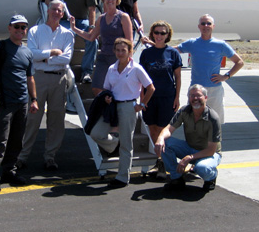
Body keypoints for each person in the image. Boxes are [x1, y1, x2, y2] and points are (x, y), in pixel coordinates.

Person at [0, 15, 39, 193]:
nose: (20, 30)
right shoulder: (0, 47)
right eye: (17, 27)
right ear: (9, 28)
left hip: (22, 103)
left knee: (16, 141)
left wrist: (34, 99)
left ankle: (8, 171)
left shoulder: (27, 52)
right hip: (4, 102)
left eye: (23, 27)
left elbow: (30, 78)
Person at [16, 0, 74, 172]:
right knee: (32, 119)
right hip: (39, 79)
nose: (56, 12)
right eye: (54, 9)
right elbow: (31, 55)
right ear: (48, 11)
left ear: (62, 14)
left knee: (56, 121)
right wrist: (52, 53)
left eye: (59, 10)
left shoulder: (67, 34)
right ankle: (22, 156)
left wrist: (45, 58)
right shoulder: (35, 30)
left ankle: (50, 157)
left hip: (59, 80)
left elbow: (67, 58)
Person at [89, 37, 155, 188]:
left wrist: (142, 104)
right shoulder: (111, 68)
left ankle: (122, 177)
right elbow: (107, 88)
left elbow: (150, 87)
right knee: (95, 133)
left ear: (130, 51)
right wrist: (106, 97)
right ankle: (113, 144)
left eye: (123, 50)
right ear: (114, 51)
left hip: (128, 107)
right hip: (112, 107)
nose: (120, 53)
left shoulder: (136, 68)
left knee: (127, 144)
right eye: (117, 50)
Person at [176, 14, 244, 124]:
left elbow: (239, 62)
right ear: (199, 26)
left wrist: (226, 76)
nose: (205, 25)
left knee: (215, 122)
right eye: (203, 23)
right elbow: (172, 50)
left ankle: (213, 142)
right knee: (194, 121)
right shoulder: (192, 43)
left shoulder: (221, 45)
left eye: (209, 23)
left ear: (213, 26)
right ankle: (195, 141)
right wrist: (154, 44)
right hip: (196, 90)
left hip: (214, 90)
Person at [154, 84, 221, 192]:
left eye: (198, 95)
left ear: (205, 97)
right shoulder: (185, 111)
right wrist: (160, 139)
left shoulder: (213, 118)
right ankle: (177, 178)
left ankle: (211, 177)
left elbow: (211, 150)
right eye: (192, 95)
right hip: (190, 147)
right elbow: (168, 129)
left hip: (209, 153)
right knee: (165, 143)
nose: (195, 98)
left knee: (202, 168)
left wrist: (189, 157)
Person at [139, 21, 183, 179]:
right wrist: (142, 100)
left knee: (163, 131)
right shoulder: (146, 54)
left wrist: (177, 97)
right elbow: (141, 79)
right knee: (152, 130)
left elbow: (178, 77)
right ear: (152, 34)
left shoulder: (173, 53)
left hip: (167, 97)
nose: (159, 36)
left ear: (167, 35)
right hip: (150, 99)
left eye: (162, 33)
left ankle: (165, 164)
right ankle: (157, 162)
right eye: (156, 33)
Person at [69, 0, 132, 96]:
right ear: (103, 0)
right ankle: (105, 109)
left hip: (118, 57)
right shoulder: (101, 19)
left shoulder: (123, 17)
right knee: (97, 87)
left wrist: (127, 61)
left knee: (117, 89)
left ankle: (114, 111)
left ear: (117, 0)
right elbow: (91, 37)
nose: (110, 0)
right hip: (103, 57)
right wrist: (74, 28)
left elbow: (129, 41)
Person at [45, 0, 97, 84]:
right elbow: (48, 0)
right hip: (66, 20)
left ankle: (86, 72)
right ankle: (63, 68)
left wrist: (91, 26)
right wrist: (58, 8)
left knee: (93, 40)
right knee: (65, 35)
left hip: (82, 21)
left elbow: (92, 9)